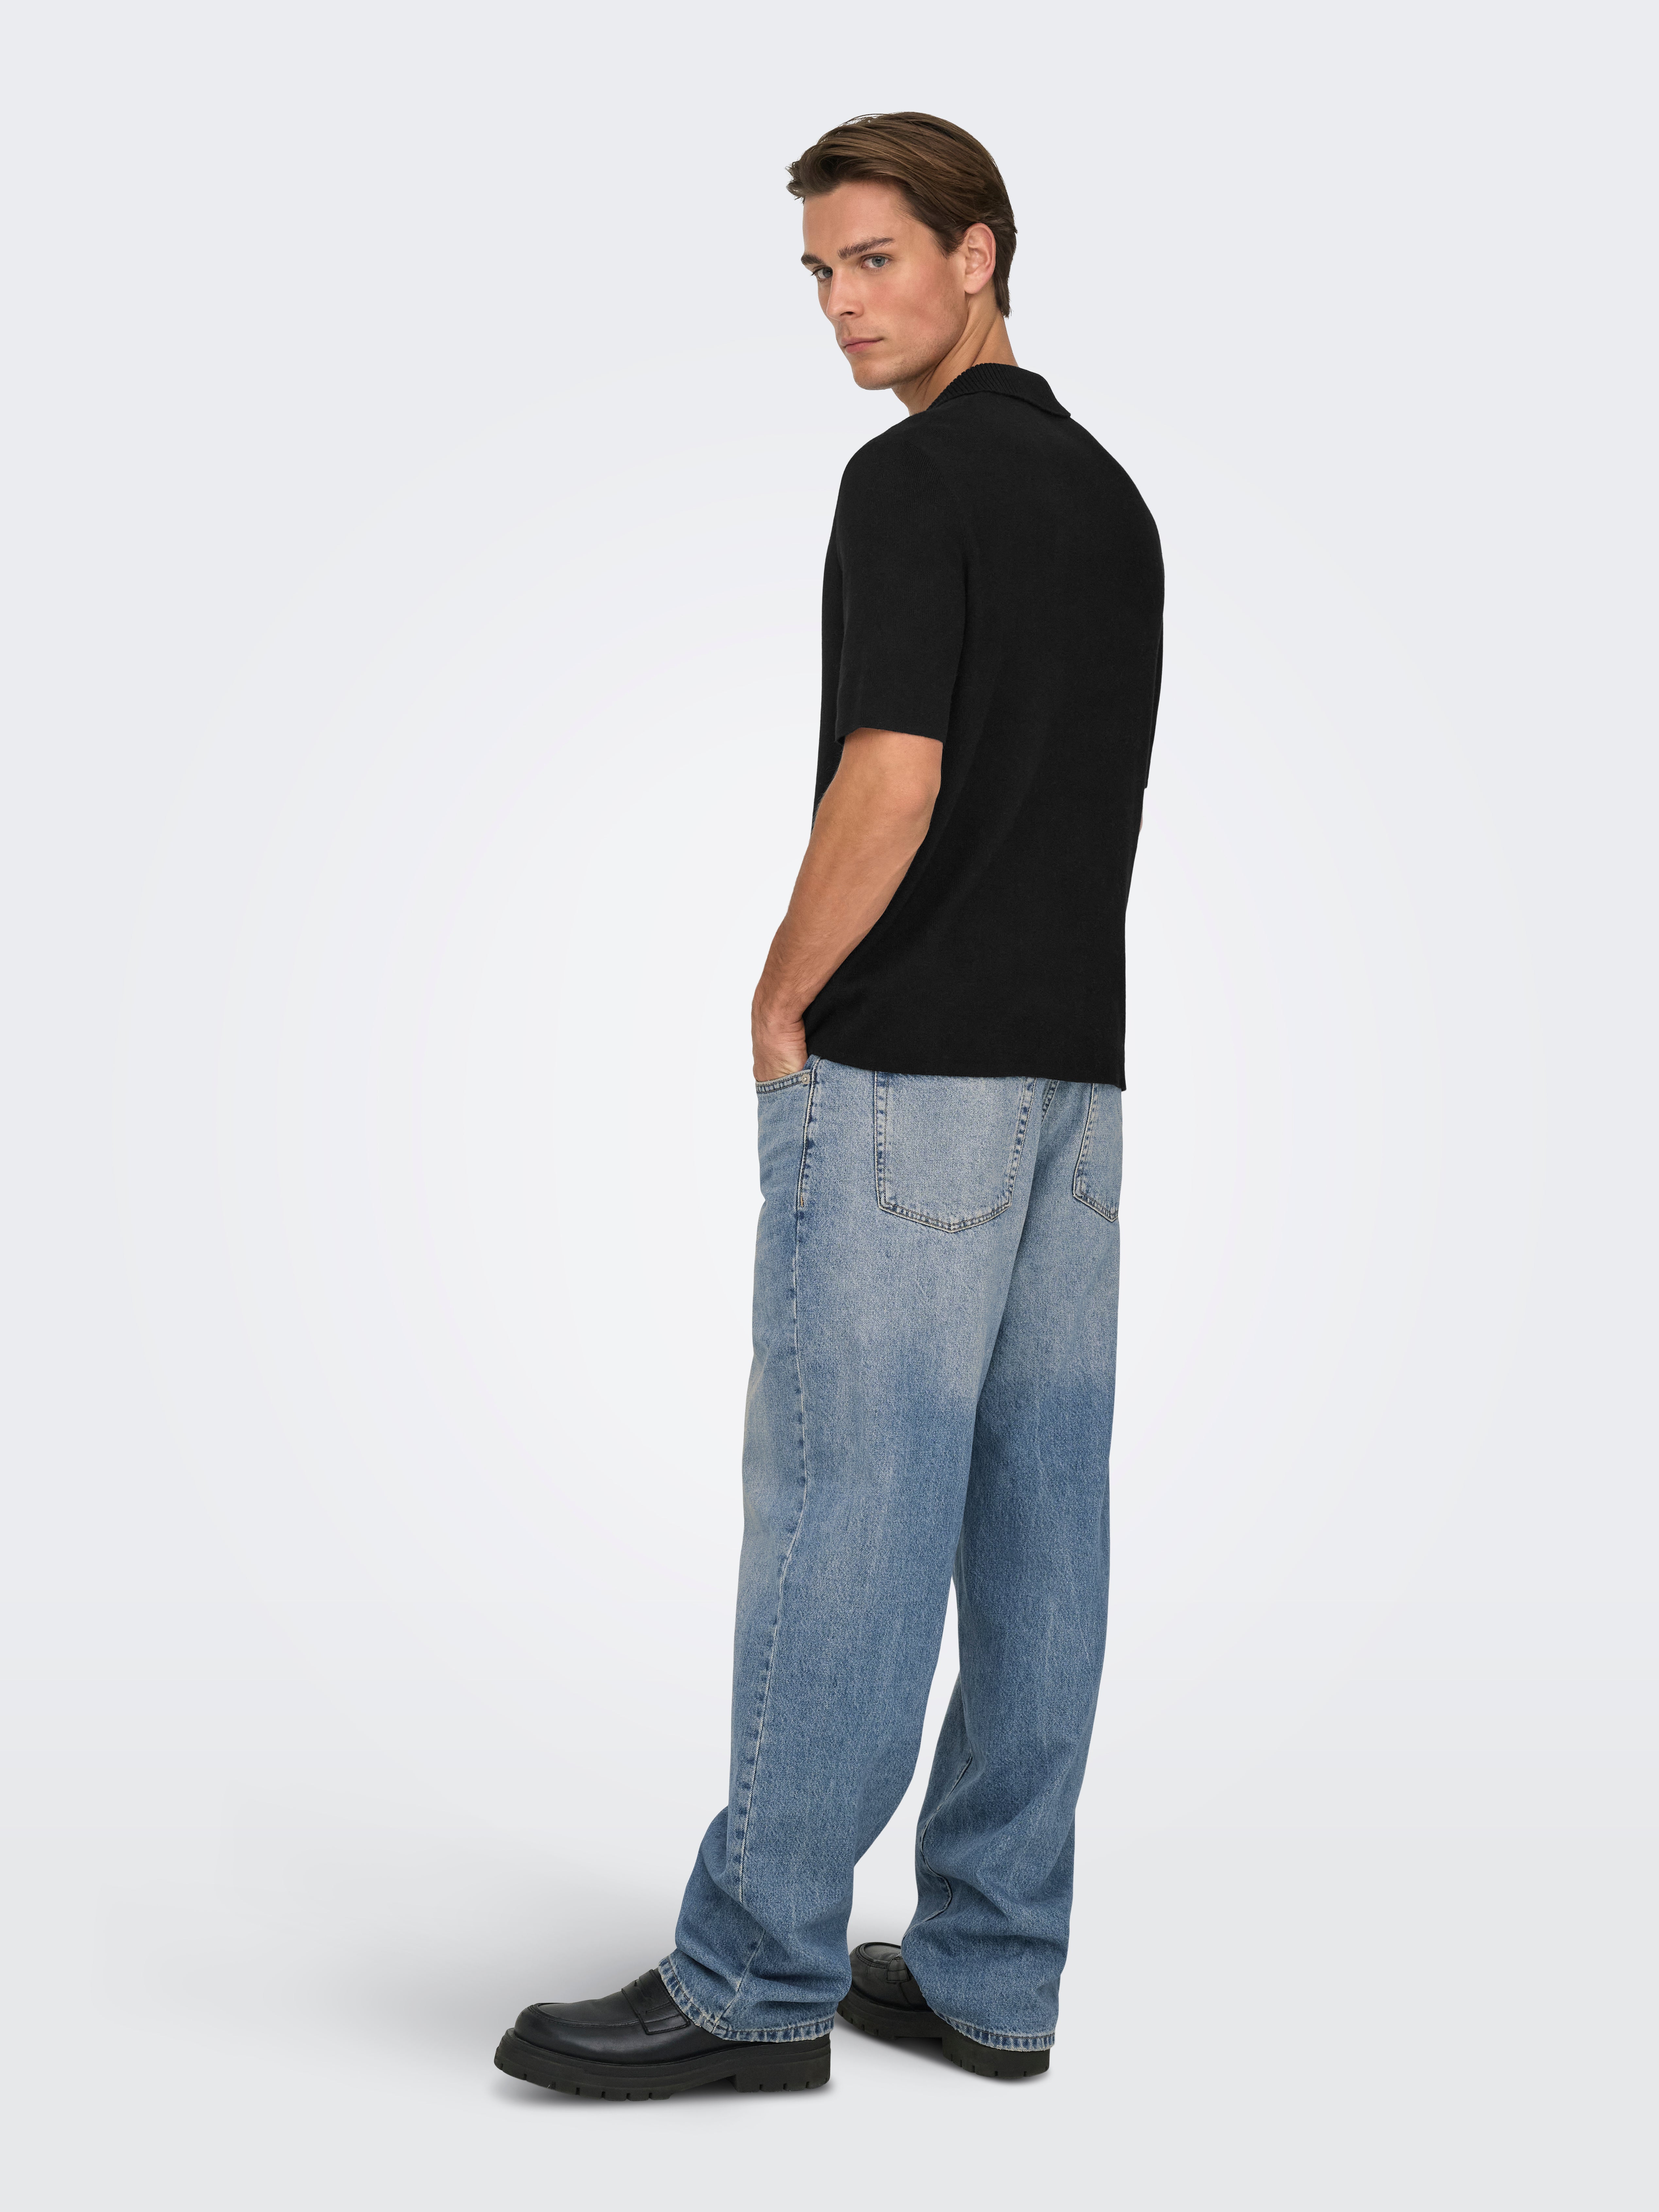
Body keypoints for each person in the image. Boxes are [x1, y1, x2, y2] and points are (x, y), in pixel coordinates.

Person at [495, 110, 1164, 2100]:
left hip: (907, 1082)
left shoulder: (911, 479)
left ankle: (755, 1975)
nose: (843, 307)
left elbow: (897, 773)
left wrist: (782, 995)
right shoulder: (1111, 496)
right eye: (818, 272)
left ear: (980, 253)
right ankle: (989, 1968)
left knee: (845, 1510)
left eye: (875, 260)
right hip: (1075, 1086)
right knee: (1037, 1523)